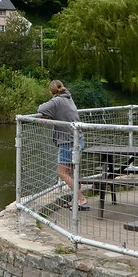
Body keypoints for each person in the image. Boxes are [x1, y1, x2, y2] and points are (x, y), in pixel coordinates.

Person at [37, 79, 88, 209]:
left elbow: (41, 108)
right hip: (78, 138)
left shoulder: (57, 100)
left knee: (62, 172)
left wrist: (46, 112)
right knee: (72, 172)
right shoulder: (68, 98)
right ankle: (76, 199)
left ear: (51, 91)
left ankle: (81, 199)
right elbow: (62, 114)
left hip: (67, 141)